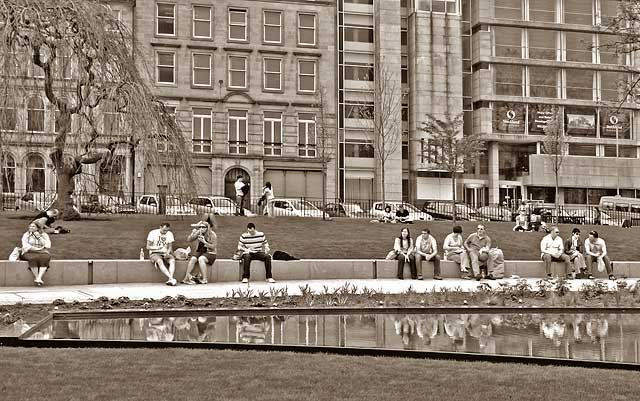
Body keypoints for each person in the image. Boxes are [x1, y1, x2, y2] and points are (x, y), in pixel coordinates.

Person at [182, 219, 217, 285]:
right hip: (200, 252)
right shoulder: (199, 232)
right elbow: (189, 240)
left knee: (201, 259)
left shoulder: (212, 235)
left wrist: (204, 242)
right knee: (193, 259)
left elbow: (213, 247)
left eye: (203, 227)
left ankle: (204, 279)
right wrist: (192, 233)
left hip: (210, 253)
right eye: (200, 227)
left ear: (207, 228)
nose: (201, 228)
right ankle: (186, 278)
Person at [20, 221, 52, 286]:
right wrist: (39, 249)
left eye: (33, 226)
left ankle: (39, 278)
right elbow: (26, 246)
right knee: (33, 258)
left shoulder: (44, 235)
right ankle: (37, 277)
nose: (31, 227)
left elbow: (48, 245)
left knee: (45, 258)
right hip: (29, 252)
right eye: (30, 226)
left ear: (38, 228)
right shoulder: (26, 235)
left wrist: (39, 237)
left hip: (42, 253)